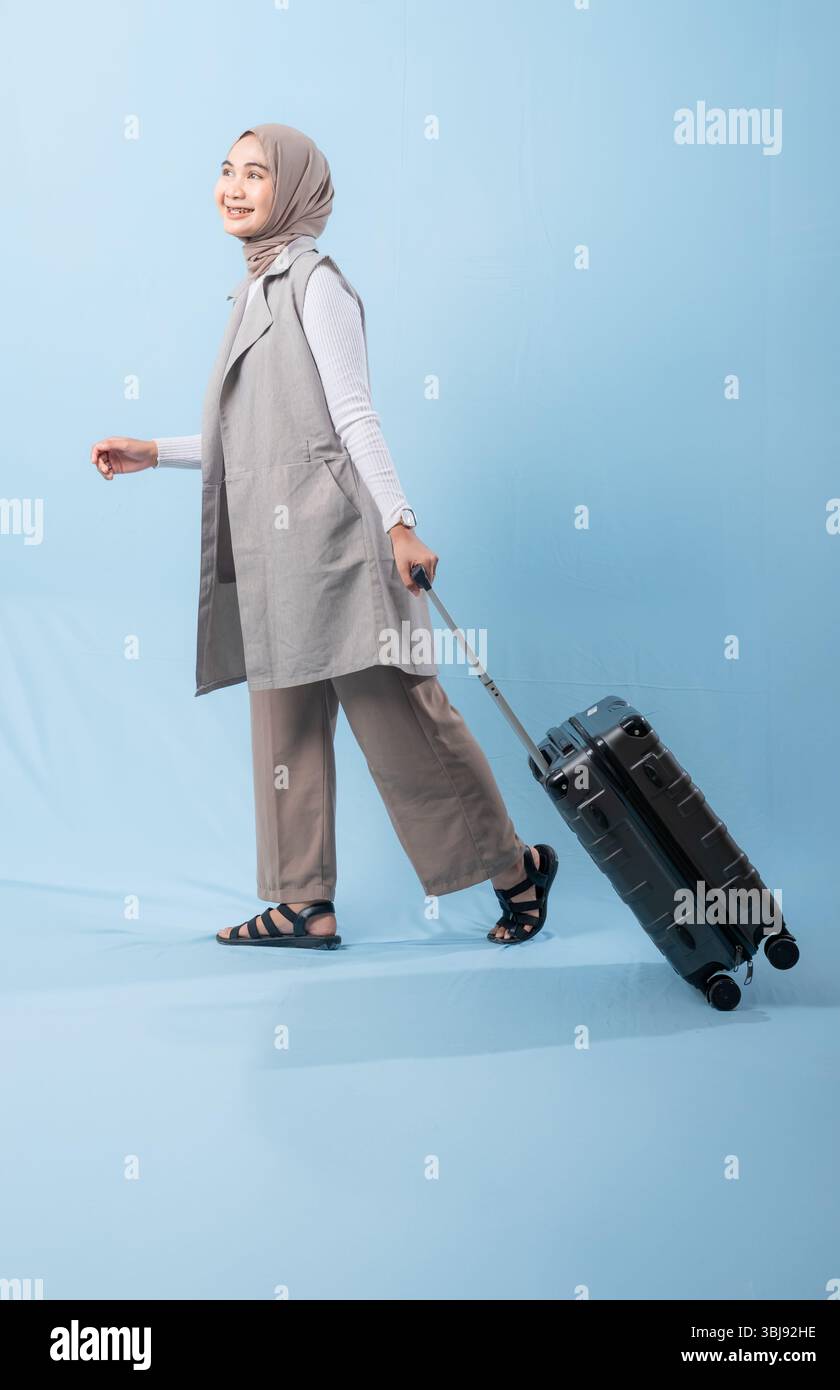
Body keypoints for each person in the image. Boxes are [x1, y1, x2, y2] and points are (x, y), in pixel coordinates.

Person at [90, 122, 558, 949]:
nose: (233, 187)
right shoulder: (252, 289)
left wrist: (401, 524)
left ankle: (517, 869)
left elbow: (353, 416)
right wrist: (151, 453)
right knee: (285, 733)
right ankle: (303, 903)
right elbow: (260, 443)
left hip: (341, 550)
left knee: (406, 727)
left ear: (296, 189)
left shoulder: (316, 284)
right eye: (226, 171)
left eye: (255, 175)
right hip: (277, 559)